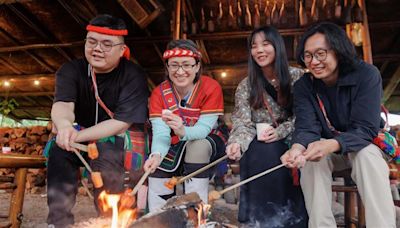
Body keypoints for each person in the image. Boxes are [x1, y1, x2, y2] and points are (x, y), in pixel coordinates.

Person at [281, 22, 396, 227]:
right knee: (310, 161)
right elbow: (307, 127)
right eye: (308, 56)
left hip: (365, 145)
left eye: (320, 54)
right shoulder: (304, 86)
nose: (314, 61)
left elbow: (366, 129)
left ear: (338, 51)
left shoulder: (367, 75)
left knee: (366, 156)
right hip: (333, 152)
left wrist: (329, 145)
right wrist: (297, 149)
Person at [47, 14, 148, 227]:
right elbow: (62, 105)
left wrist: (77, 136)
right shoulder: (70, 70)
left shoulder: (134, 74)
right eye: (92, 41)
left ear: (122, 50)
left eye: (107, 44)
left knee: (108, 154)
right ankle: (59, 222)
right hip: (79, 131)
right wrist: (65, 127)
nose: (97, 48)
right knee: (59, 152)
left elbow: (121, 122)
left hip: (116, 136)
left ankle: (108, 220)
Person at [226, 26, 308, 227]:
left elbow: (306, 116)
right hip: (261, 139)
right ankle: (260, 220)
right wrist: (236, 143)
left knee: (277, 151)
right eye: (254, 46)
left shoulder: (298, 77)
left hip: (295, 137)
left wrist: (281, 131)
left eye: (265, 44)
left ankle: (292, 220)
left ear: (277, 46)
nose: (259, 50)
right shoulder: (246, 85)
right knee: (257, 151)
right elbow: (243, 122)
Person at [143, 39, 227, 212]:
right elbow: (161, 134)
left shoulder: (211, 87)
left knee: (197, 146)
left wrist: (182, 130)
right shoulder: (159, 93)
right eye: (174, 65)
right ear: (167, 68)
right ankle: (159, 216)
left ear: (197, 66)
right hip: (173, 142)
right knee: (157, 162)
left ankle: (196, 212)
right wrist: (156, 154)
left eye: (187, 65)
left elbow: (203, 129)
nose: (180, 71)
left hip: (206, 140)